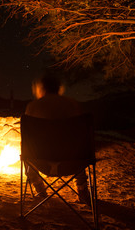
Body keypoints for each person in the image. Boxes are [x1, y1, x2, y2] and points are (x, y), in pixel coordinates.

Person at [25, 73, 90, 204]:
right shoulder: (72, 104)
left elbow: (27, 139)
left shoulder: (33, 106)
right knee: (79, 145)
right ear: (59, 88)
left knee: (26, 148)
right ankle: (82, 189)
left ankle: (40, 189)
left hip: (41, 162)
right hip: (73, 163)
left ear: (41, 88)